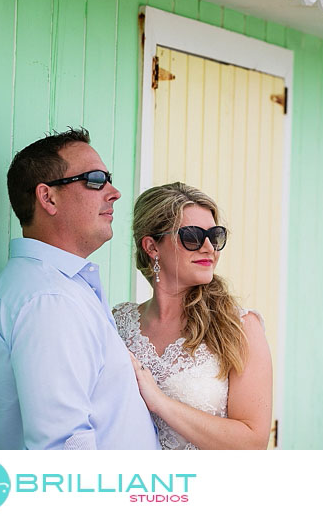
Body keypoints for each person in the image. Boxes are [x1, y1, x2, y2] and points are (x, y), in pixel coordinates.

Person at [0, 128, 159, 449]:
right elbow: (63, 447)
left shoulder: (56, 287)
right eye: (96, 179)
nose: (114, 192)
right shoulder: (48, 300)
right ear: (48, 197)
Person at [114, 182, 272, 449]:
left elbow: (252, 443)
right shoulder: (118, 323)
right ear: (152, 247)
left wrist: (160, 402)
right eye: (193, 236)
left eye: (215, 236)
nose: (209, 247)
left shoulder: (240, 327)